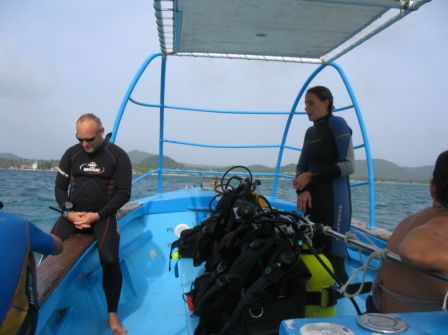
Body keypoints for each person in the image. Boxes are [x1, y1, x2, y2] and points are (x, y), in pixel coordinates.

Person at [51, 113, 132, 335]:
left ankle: (112, 314)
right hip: (73, 214)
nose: (85, 144)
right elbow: (60, 188)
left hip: (103, 216)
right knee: (48, 248)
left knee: (109, 259)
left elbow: (124, 193)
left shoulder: (118, 156)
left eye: (90, 139)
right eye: (80, 139)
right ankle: (51, 304)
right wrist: (68, 213)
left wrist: (97, 215)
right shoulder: (71, 154)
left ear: (101, 132)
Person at [369, 150, 448, 313]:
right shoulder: (442, 223)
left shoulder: (408, 221)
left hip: (381, 314)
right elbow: (413, 250)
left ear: (432, 188)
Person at [292, 86, 354, 283]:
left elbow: (348, 165)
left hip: (335, 200)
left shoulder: (338, 124)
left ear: (326, 102)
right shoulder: (310, 132)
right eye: (305, 104)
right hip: (311, 198)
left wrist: (311, 176)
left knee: (334, 257)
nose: (306, 108)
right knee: (311, 249)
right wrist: (303, 190)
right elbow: (301, 167)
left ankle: (343, 298)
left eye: (311, 103)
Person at [0, 201, 63, 335]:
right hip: (13, 329)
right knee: (26, 248)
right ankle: (25, 310)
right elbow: (58, 247)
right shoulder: (20, 225)